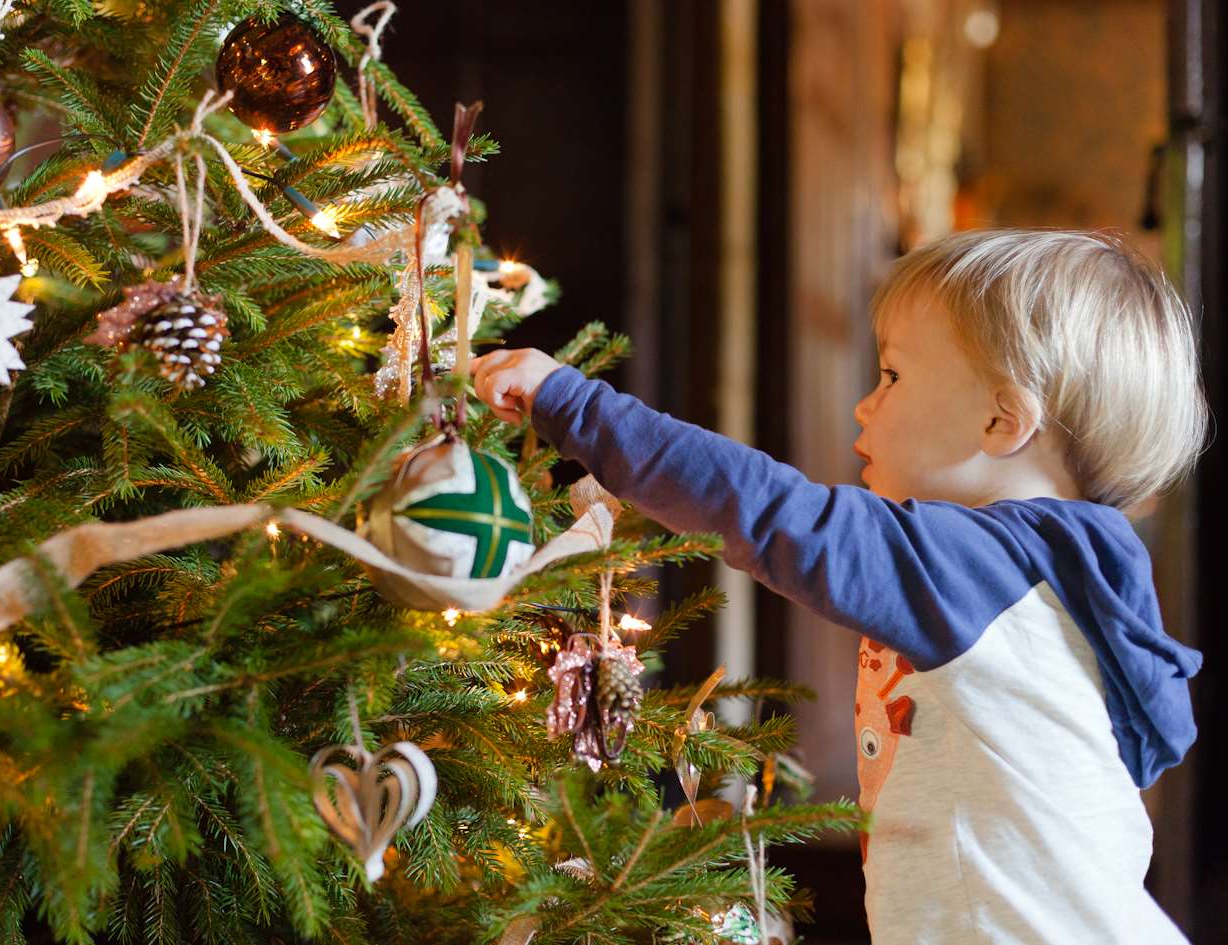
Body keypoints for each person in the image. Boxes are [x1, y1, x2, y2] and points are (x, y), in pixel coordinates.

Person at [470, 229, 1208, 944]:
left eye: (890, 375)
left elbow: (766, 512)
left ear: (1000, 417)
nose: (864, 404)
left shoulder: (982, 569)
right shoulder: (1038, 585)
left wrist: (574, 406)